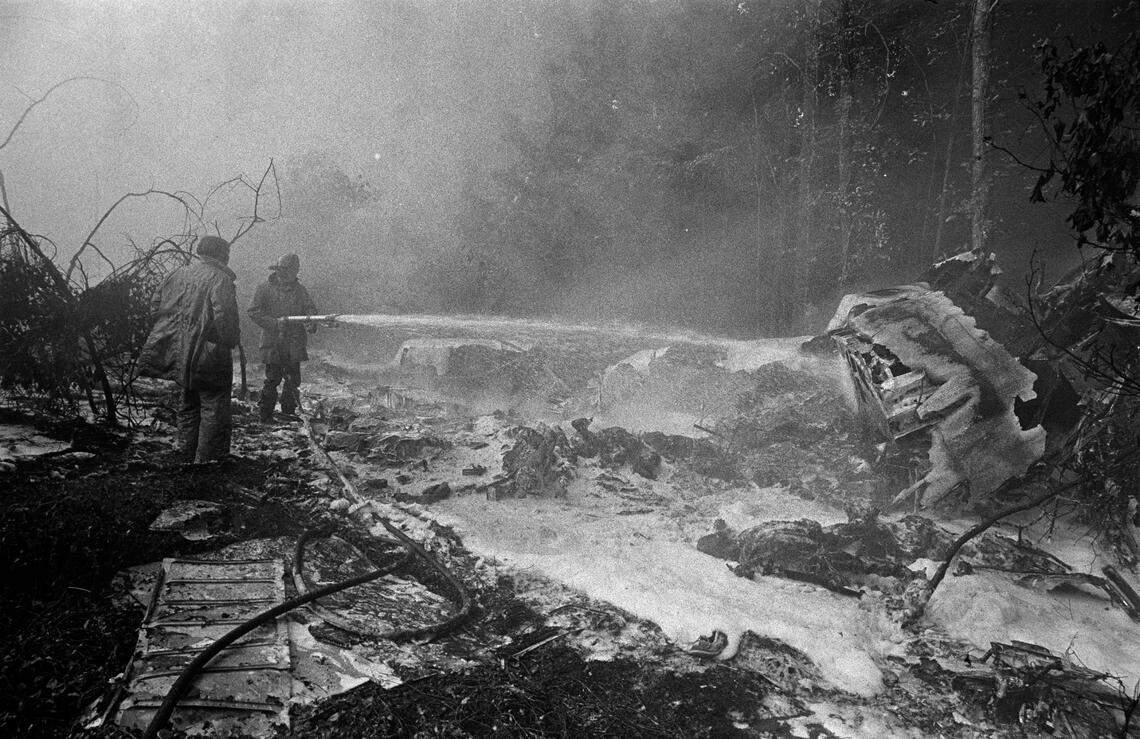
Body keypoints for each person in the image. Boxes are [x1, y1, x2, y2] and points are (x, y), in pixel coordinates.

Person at [138, 235, 240, 463]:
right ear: (222, 255)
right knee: (214, 406)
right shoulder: (220, 279)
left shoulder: (177, 274)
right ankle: (209, 462)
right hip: (209, 354)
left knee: (188, 402)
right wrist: (228, 341)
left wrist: (176, 333)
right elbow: (225, 319)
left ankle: (184, 454)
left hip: (179, 351)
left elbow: (155, 307)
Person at [248, 253, 316, 423]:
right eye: (283, 271)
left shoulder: (300, 290)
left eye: (290, 271)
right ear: (278, 270)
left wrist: (310, 321)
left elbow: (309, 309)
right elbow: (254, 312)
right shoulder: (264, 288)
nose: (285, 275)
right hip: (273, 341)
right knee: (273, 379)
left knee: (293, 379)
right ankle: (265, 414)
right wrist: (275, 323)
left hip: (294, 341)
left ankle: (288, 412)